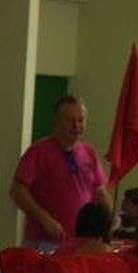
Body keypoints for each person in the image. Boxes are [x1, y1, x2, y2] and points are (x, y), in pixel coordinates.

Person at [10, 95, 111, 247]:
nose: (76, 125)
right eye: (70, 120)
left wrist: (109, 221)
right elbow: (17, 191)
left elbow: (100, 193)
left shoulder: (89, 153)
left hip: (81, 243)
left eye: (81, 120)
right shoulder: (38, 151)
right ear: (56, 121)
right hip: (45, 242)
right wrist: (44, 219)